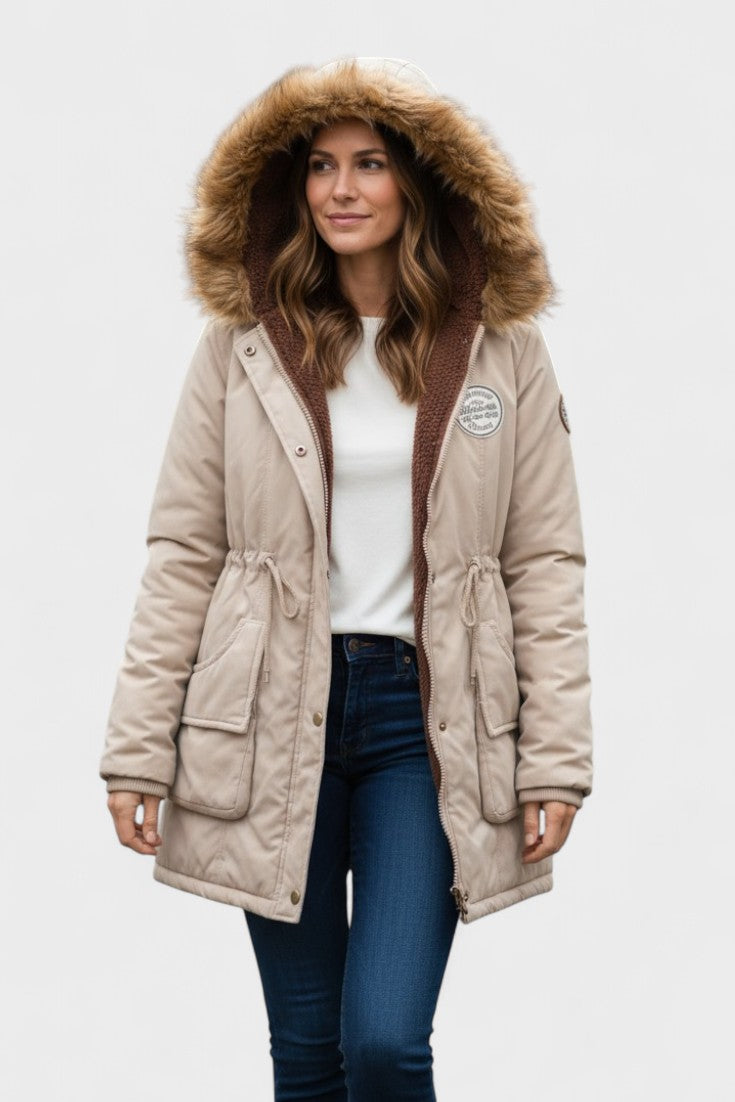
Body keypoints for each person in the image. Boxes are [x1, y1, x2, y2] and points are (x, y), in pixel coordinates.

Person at [99, 56, 593, 1100]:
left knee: (384, 1040)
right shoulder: (241, 349)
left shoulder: (499, 354)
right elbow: (184, 550)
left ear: (418, 181)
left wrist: (554, 761)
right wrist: (137, 749)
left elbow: (542, 561)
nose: (341, 188)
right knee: (307, 1048)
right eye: (321, 166)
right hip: (273, 715)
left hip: (425, 722)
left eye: (369, 163)